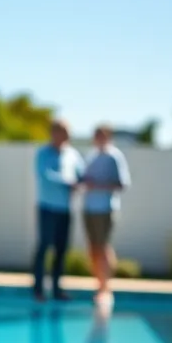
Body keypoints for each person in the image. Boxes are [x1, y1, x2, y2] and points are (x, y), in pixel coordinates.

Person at [31, 120, 83, 301]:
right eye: (62, 132)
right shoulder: (43, 153)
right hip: (47, 207)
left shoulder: (73, 155)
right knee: (44, 246)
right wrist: (68, 181)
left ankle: (57, 289)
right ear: (54, 133)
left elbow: (81, 175)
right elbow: (45, 175)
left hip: (66, 209)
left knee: (61, 249)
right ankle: (38, 289)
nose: (66, 136)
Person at [80, 125, 131, 302]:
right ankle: (98, 285)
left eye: (102, 136)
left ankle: (106, 288)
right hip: (89, 208)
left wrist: (98, 186)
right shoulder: (91, 155)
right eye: (96, 136)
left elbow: (122, 184)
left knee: (103, 247)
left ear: (108, 137)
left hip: (105, 209)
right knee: (93, 248)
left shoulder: (114, 156)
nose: (99, 139)